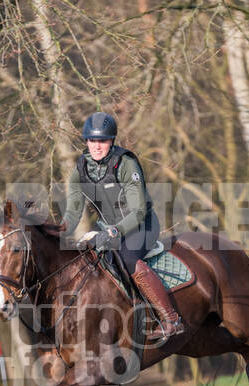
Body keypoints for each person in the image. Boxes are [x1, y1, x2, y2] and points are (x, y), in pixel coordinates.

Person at [62, 111, 184, 341]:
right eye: (92, 140)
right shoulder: (79, 170)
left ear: (111, 141)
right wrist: (57, 231)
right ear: (86, 141)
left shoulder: (125, 164)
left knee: (127, 259)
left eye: (103, 141)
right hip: (108, 230)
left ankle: (171, 319)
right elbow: (73, 211)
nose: (97, 146)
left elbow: (137, 211)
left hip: (141, 225)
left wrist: (112, 231)